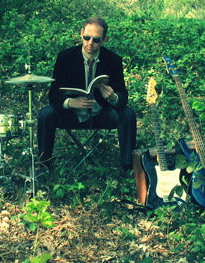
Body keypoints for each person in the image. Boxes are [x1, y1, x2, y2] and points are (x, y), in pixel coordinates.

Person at [37, 17, 137, 175]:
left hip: (101, 114)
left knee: (128, 114)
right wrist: (70, 103)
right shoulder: (65, 57)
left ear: (104, 40)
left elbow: (123, 97)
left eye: (96, 40)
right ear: (81, 33)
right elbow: (54, 94)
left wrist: (113, 97)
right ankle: (44, 165)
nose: (90, 43)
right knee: (45, 114)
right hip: (71, 114)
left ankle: (128, 167)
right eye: (87, 37)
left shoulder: (113, 60)